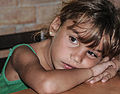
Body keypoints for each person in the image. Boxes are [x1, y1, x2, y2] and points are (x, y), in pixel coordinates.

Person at [0, 0, 120, 94]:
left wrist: (114, 65)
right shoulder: (22, 53)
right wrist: (92, 71)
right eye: (73, 40)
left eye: (92, 53)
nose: (77, 58)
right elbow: (46, 85)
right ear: (55, 27)